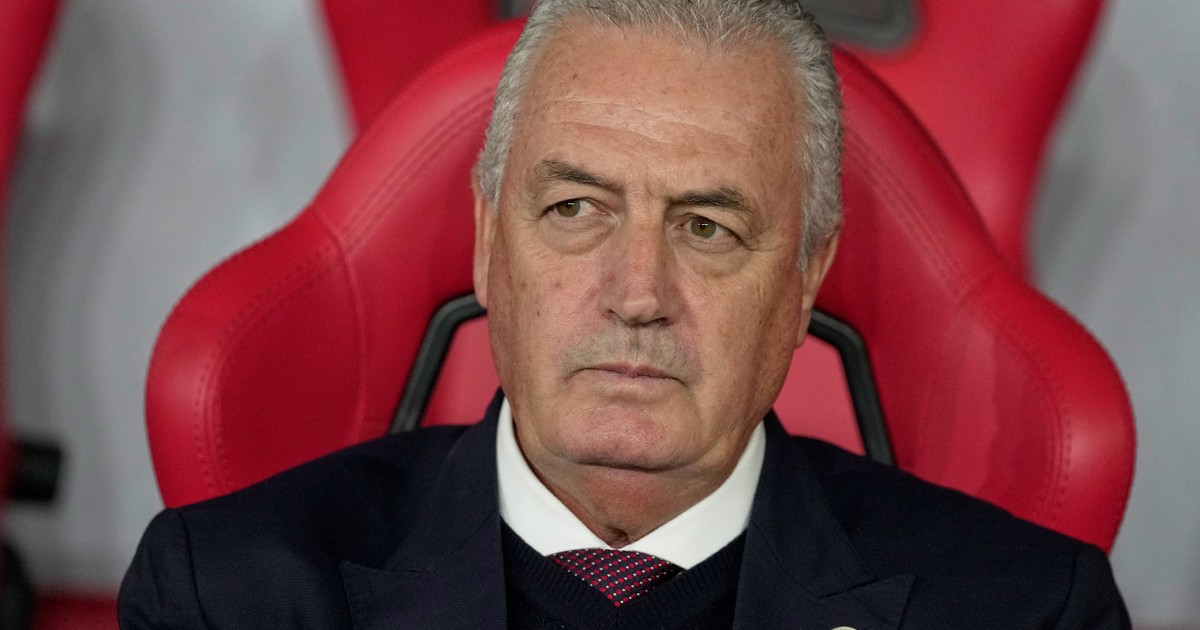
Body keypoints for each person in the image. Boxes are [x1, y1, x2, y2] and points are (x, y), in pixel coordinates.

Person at [119, 0, 1130, 628]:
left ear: (805, 278)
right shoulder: (230, 595)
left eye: (708, 228)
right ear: (487, 244)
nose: (638, 293)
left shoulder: (1025, 611)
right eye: (575, 210)